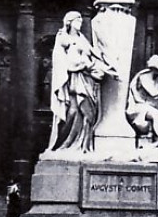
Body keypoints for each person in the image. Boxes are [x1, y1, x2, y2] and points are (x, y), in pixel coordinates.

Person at [47, 11, 118, 153]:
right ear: (69, 22)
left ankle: (83, 146)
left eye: (80, 21)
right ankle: (65, 145)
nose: (80, 23)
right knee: (74, 112)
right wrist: (85, 65)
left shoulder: (82, 38)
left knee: (89, 114)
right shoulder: (63, 38)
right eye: (76, 21)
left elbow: (94, 53)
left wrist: (109, 66)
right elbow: (64, 61)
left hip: (88, 80)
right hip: (76, 80)